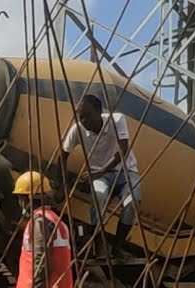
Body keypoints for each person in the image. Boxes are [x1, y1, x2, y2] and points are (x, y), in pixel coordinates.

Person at [60, 93, 142, 256]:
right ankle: (99, 245)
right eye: (81, 117)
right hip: (100, 176)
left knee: (132, 204)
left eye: (87, 117)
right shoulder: (78, 129)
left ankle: (118, 247)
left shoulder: (117, 120)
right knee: (99, 199)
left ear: (99, 112)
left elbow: (123, 149)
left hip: (126, 171)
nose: (84, 122)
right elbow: (63, 154)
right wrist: (63, 185)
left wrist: (101, 171)